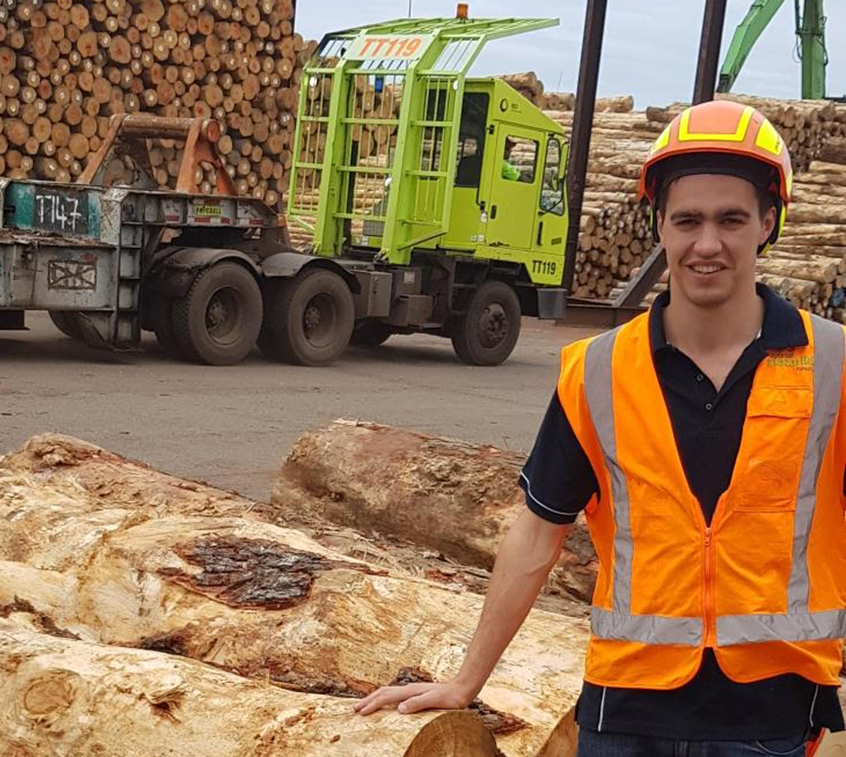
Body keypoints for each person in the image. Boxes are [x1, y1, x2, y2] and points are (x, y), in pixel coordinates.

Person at [354, 99, 846, 757]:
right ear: (658, 226)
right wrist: (465, 680)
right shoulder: (597, 371)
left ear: (767, 222)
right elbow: (536, 532)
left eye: (730, 219)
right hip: (624, 713)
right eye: (686, 220)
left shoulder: (834, 367)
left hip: (765, 718)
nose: (706, 242)